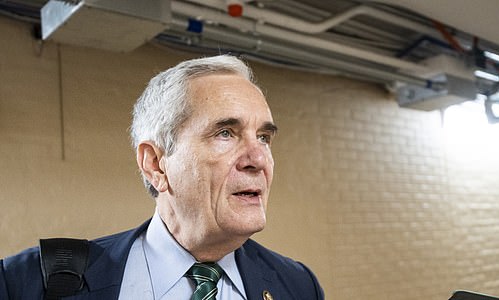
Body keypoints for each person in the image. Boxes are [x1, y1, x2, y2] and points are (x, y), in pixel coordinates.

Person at [0, 55, 324, 299]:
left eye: (264, 138)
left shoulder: (298, 285)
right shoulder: (26, 282)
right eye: (226, 133)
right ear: (156, 164)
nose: (258, 159)